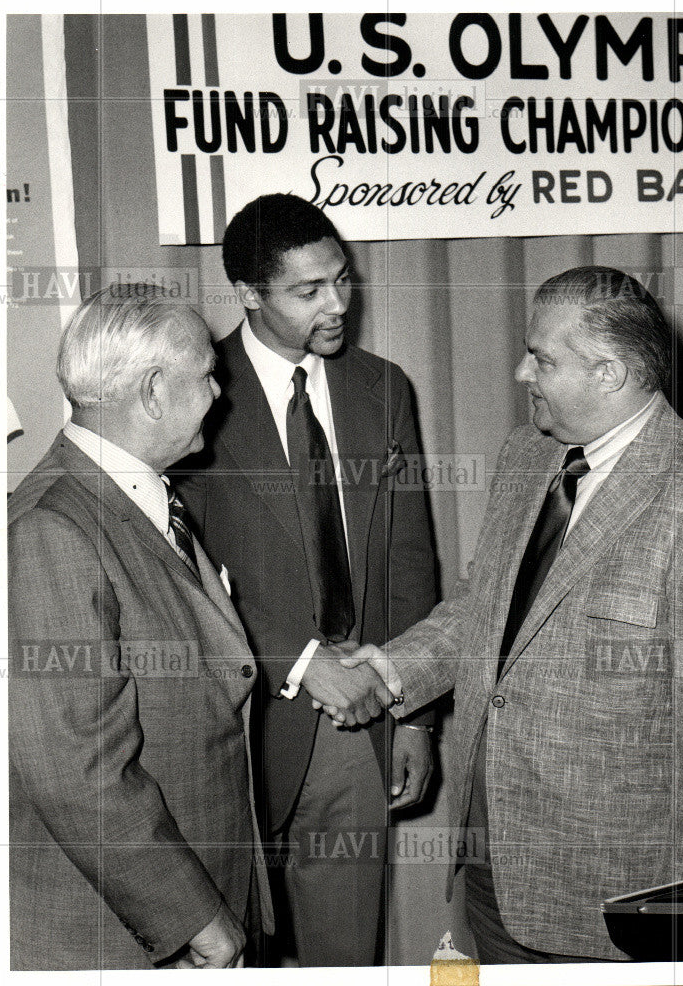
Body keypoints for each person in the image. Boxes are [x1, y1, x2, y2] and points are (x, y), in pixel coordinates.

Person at [343, 266, 683, 962]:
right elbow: (482, 606)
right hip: (494, 869)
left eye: (542, 357)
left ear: (609, 373)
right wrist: (391, 669)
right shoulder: (527, 457)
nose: (522, 372)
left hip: (616, 908)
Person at [173, 193, 437, 966]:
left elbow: (409, 559)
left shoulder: (384, 388)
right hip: (235, 719)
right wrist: (294, 657)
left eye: (342, 280)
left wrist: (415, 713)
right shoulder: (189, 388)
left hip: (359, 717)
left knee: (346, 957)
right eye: (307, 290)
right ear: (249, 294)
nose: (336, 304)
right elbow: (173, 572)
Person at [8, 285, 273, 970]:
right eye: (207, 374)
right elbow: (77, 772)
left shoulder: (137, 495)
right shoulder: (51, 530)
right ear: (153, 391)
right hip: (115, 935)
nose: (219, 393)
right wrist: (197, 922)